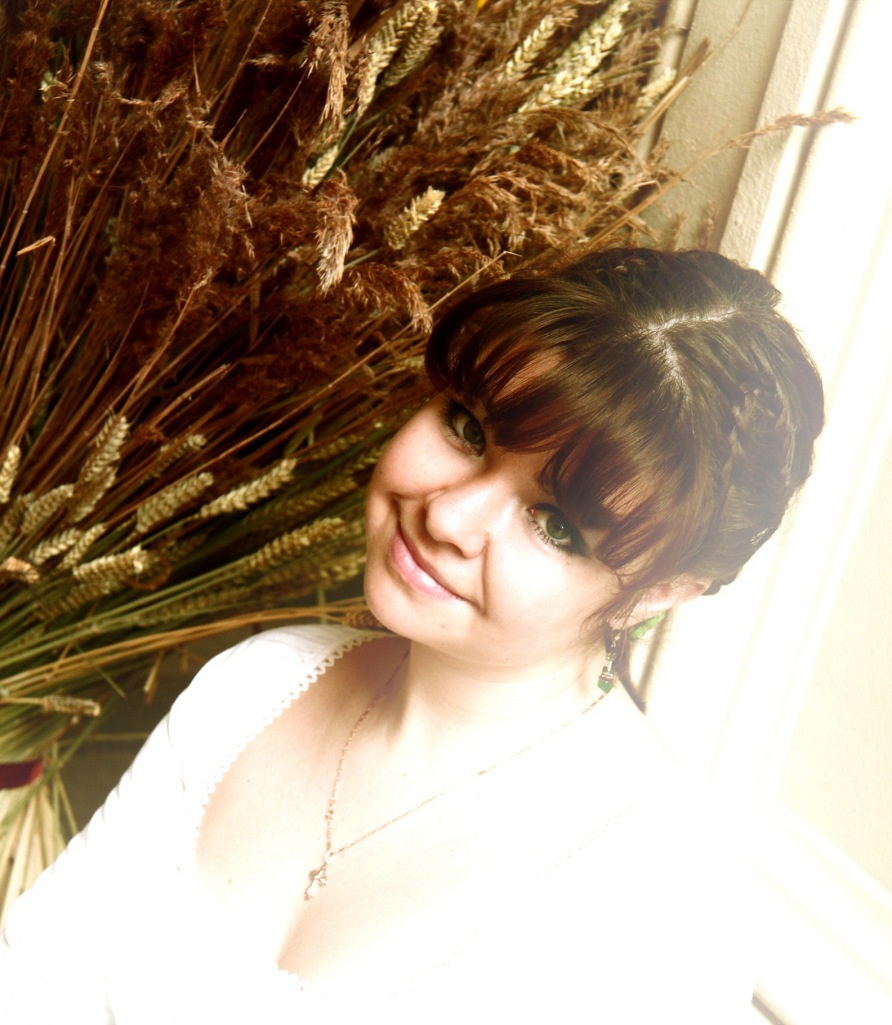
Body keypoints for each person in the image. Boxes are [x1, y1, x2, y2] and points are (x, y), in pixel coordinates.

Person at [0, 247, 824, 1023]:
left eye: (556, 525)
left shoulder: (662, 900)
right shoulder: (254, 683)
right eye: (468, 428)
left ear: (661, 592)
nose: (448, 516)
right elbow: (29, 976)